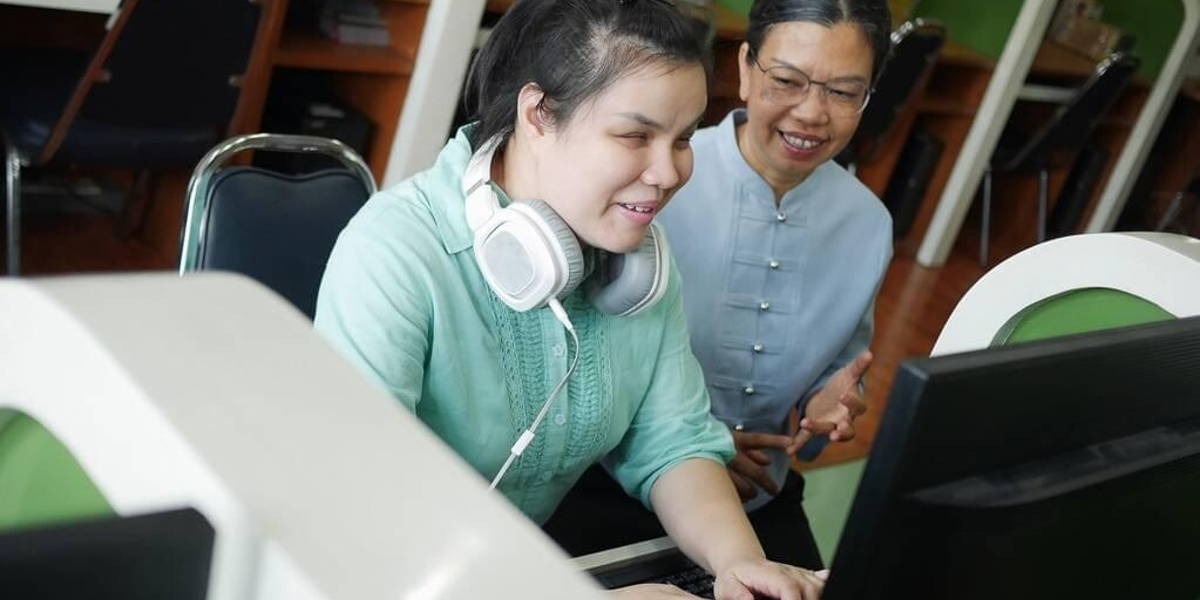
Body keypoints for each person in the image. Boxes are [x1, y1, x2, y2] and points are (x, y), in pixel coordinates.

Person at [314, 0, 826, 597]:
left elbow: (673, 442)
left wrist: (737, 562)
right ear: (537, 113)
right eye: (636, 135)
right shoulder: (397, 252)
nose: (668, 172)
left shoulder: (637, 260)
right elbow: (357, 509)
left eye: (683, 138)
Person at [543, 0, 893, 570]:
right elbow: (568, 359)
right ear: (746, 66)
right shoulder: (653, 177)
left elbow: (840, 375)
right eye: (787, 80)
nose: (811, 112)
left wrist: (831, 401)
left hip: (758, 494)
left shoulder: (869, 224)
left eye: (843, 92)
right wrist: (697, 450)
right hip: (608, 481)